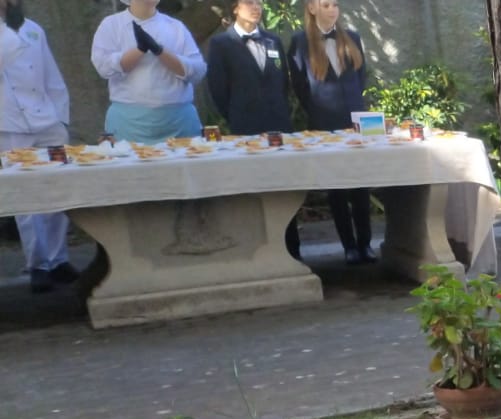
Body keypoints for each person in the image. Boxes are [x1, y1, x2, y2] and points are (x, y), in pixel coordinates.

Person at [206, 0, 299, 258]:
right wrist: (238, 117)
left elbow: (283, 83)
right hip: (245, 128)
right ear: (235, 8)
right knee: (253, 191)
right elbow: (218, 89)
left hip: (278, 127)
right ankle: (260, 254)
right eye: (249, 2)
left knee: (285, 189)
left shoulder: (273, 41)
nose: (256, 6)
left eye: (258, 2)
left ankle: (293, 251)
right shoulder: (221, 44)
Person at [288, 0, 375, 265]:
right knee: (336, 187)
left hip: (355, 121)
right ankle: (348, 246)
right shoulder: (300, 42)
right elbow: (300, 85)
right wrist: (318, 110)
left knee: (360, 184)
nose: (332, 9)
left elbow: (360, 77)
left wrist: (353, 107)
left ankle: (365, 244)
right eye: (326, 5)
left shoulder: (352, 37)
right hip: (324, 122)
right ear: (312, 8)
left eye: (335, 5)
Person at [0, 0, 75, 293]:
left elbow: (51, 76)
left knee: (59, 187)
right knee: (26, 197)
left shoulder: (33, 29)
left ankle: (59, 259)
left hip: (49, 123)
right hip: (11, 125)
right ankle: (38, 265)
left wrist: (61, 117)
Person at [89, 0, 206, 144]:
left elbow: (198, 70)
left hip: (179, 124)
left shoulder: (176, 27)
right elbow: (103, 67)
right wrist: (140, 50)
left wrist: (159, 51)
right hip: (128, 125)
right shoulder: (111, 25)